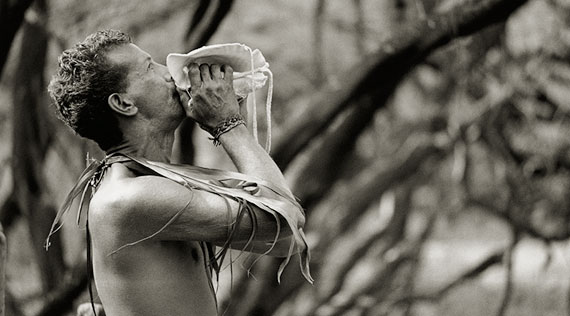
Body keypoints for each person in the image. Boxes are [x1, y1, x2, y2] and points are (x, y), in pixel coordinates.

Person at [46, 29, 311, 316]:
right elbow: (285, 226)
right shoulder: (129, 199)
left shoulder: (155, 183)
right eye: (150, 67)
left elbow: (285, 240)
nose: (170, 74)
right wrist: (230, 127)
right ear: (123, 103)